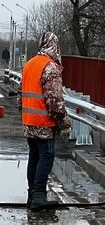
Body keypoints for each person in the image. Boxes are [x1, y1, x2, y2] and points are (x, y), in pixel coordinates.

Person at [18, 32, 71, 211]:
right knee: (46, 156)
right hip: (44, 122)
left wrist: (25, 116)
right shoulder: (50, 67)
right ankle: (39, 195)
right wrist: (64, 123)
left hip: (29, 121)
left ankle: (32, 195)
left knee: (34, 156)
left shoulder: (29, 65)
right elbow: (55, 102)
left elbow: (20, 96)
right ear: (55, 45)